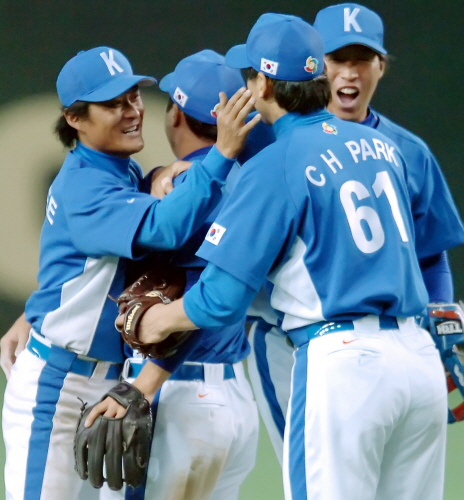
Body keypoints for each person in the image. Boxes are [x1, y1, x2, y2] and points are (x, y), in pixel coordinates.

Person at [129, 13, 457, 500]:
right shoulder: (382, 145)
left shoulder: (276, 163)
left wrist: (159, 322)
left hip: (347, 366)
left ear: (262, 84)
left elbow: (220, 299)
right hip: (419, 362)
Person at [1, 45, 258, 500]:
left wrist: (164, 173)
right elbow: (164, 227)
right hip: (58, 388)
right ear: (75, 119)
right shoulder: (84, 184)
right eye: (113, 104)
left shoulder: (123, 172)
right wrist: (218, 156)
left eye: (134, 97)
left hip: (106, 381)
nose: (132, 111)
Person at [245, 2, 464, 464]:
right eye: (336, 59)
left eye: (361, 59)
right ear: (314, 67)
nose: (349, 72)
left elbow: (430, 251)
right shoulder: (268, 139)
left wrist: (439, 311)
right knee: (313, 474)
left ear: (380, 66)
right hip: (287, 336)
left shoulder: (410, 151)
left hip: (388, 345)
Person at [87, 49, 259, 500]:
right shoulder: (255, 180)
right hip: (236, 397)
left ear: (176, 114)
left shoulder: (186, 189)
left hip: (174, 392)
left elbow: (197, 294)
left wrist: (142, 387)